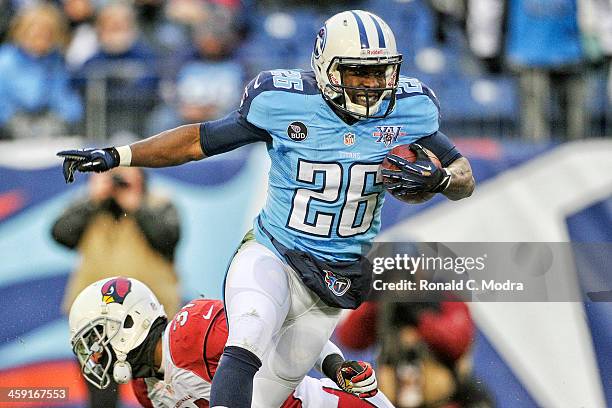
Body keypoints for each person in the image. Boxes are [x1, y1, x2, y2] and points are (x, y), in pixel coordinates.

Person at [58, 9, 475, 408]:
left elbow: (463, 175)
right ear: (327, 67)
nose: (371, 84)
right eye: (358, 72)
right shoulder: (282, 102)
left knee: (266, 400)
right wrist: (119, 155)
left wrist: (441, 181)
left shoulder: (410, 108)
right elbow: (196, 141)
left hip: (333, 280)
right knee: (249, 336)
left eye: (380, 72)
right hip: (273, 250)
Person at [68, 277, 391, 407]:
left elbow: (288, 331)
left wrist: (335, 366)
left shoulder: (192, 330)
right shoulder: (145, 389)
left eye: (97, 340)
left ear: (128, 322)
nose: (95, 357)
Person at [52, 167, 181, 407]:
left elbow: (168, 238)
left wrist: (136, 205)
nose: (118, 181)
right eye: (113, 174)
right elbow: (60, 234)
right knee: (101, 396)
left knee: (165, 396)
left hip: (151, 320)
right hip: (97, 323)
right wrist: (93, 200)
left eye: (126, 174)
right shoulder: (90, 205)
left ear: (142, 177)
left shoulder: (160, 203)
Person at [0, 3, 83, 139]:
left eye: (47, 32)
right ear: (22, 31)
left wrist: (58, 119)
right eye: (36, 31)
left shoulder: (56, 62)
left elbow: (68, 102)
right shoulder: (4, 59)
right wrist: (12, 121)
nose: (42, 36)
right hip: (8, 132)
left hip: (48, 132)